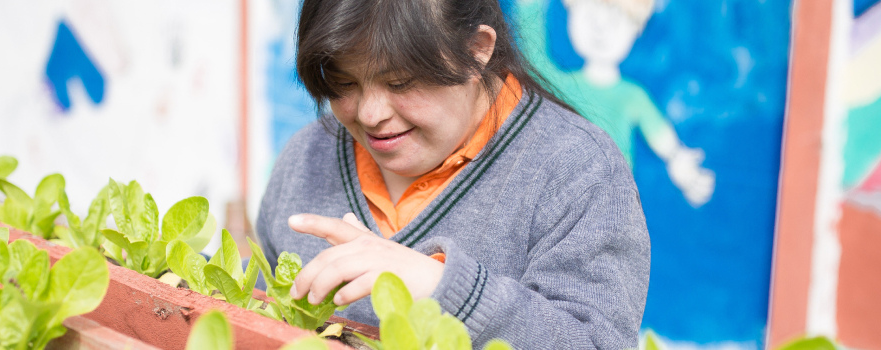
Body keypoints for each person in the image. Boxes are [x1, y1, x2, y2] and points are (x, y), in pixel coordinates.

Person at [254, 0, 650, 348]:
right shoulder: (309, 154)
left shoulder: (579, 171)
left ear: (477, 51)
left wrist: (440, 287)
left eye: (400, 82)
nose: (370, 115)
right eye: (344, 83)